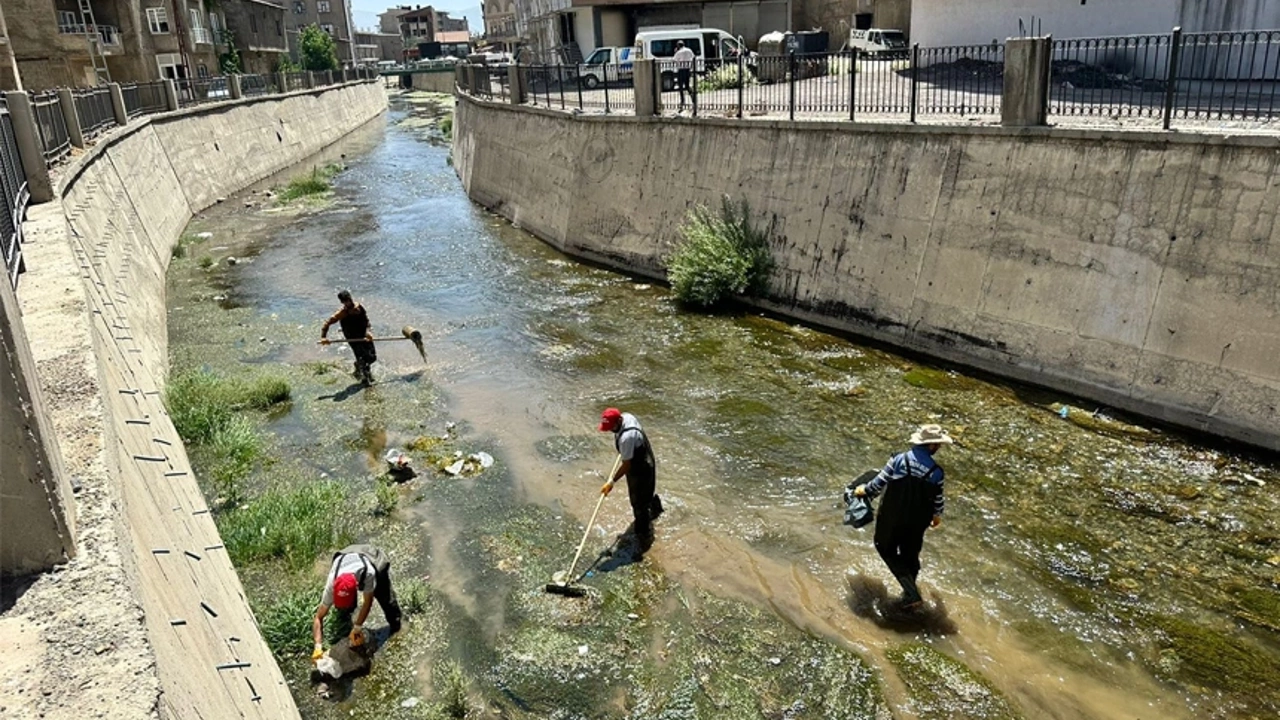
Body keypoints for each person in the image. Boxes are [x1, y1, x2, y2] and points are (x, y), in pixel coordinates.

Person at [853, 424, 952, 609]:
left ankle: (912, 594)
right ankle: (909, 597)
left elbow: (878, 483)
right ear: (930, 446)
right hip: (917, 523)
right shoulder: (937, 472)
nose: (939, 448)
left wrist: (863, 491)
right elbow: (938, 499)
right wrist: (937, 515)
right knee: (910, 555)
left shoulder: (899, 460)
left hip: (892, 517)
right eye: (938, 444)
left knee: (884, 547)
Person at [311, 544, 403, 661]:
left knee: (385, 598)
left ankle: (396, 624)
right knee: (345, 608)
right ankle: (346, 612)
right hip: (346, 553)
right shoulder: (331, 584)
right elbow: (318, 617)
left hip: (373, 559)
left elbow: (367, 603)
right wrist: (317, 646)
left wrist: (357, 628)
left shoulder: (369, 573)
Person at [599, 408, 663, 544]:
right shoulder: (627, 417)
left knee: (638, 503)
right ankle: (656, 509)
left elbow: (626, 465)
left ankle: (643, 536)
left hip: (642, 466)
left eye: (611, 428)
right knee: (646, 493)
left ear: (618, 421)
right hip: (642, 457)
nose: (610, 431)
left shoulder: (627, 438)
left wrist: (611, 482)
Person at [320, 290, 377, 386]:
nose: (348, 303)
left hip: (364, 335)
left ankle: (358, 366)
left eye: (349, 300)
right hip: (352, 337)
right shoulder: (342, 313)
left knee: (372, 357)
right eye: (345, 302)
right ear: (342, 302)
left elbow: (366, 321)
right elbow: (327, 323)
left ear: (351, 298)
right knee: (362, 357)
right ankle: (365, 379)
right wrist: (323, 337)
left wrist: (368, 332)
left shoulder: (359, 307)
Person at [672, 40, 697, 113]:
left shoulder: (678, 52)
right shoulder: (689, 50)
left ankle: (682, 100)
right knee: (687, 85)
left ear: (678, 46)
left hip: (681, 70)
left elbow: (674, 60)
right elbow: (693, 57)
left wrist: (675, 52)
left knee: (680, 86)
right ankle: (693, 98)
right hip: (687, 69)